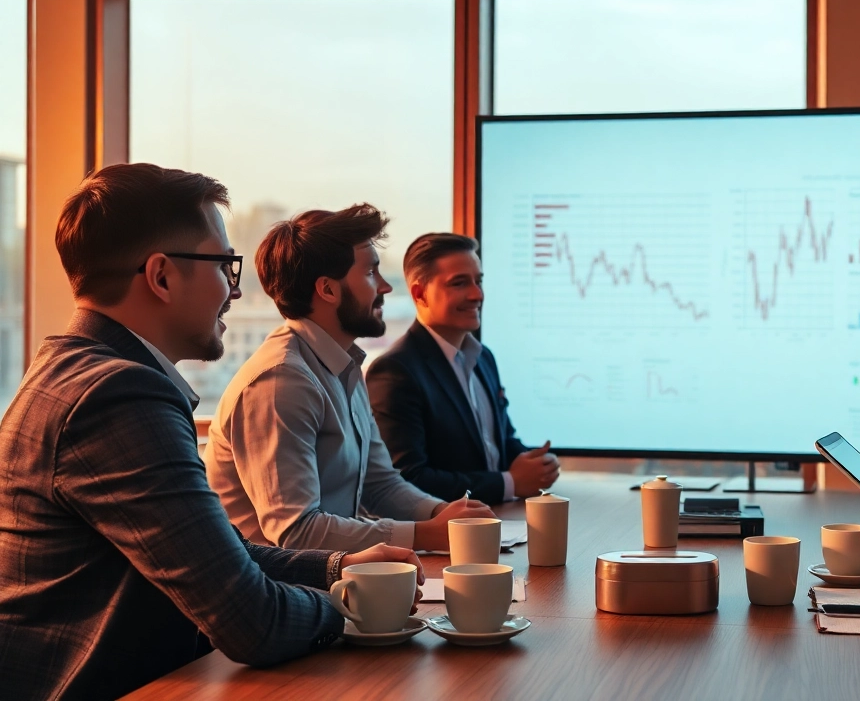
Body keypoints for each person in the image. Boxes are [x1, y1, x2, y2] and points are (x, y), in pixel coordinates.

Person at [0, 164, 423, 700]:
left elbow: (214, 551)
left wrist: (338, 566)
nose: (234, 290)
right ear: (161, 277)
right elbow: (251, 620)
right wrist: (356, 602)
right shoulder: (119, 396)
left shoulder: (71, 371)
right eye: (225, 266)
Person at [204, 205, 494, 553]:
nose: (385, 286)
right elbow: (298, 532)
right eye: (371, 272)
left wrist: (444, 513)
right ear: (327, 290)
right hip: (279, 594)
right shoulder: (282, 381)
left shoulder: (344, 365)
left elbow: (379, 484)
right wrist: (425, 533)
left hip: (329, 581)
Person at [367, 233, 559, 504]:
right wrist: (510, 483)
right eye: (459, 283)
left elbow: (498, 442)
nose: (477, 294)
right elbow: (408, 481)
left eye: (478, 281)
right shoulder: (395, 371)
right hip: (450, 537)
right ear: (420, 294)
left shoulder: (484, 358)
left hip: (500, 523)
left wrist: (537, 463)